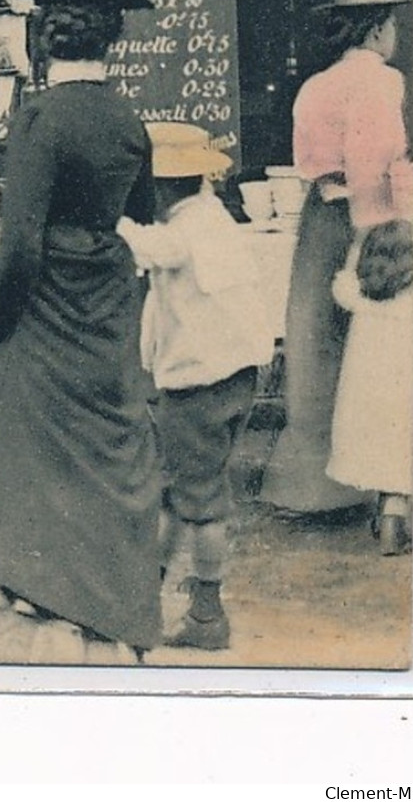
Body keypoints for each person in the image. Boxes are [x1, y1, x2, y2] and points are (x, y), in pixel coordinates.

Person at [0, 0, 158, 663]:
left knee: (36, 472)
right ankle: (100, 620)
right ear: (111, 39)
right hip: (104, 306)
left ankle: (36, 624)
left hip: (42, 316)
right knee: (99, 467)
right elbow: (138, 216)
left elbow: (19, 252)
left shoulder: (37, 119)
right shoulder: (129, 122)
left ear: (45, 39)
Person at [260, 0, 413, 516]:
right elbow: (370, 162)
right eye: (391, 24)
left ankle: (308, 484)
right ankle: (356, 483)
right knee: (366, 347)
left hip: (318, 217)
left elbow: (314, 163)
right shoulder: (380, 82)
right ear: (376, 29)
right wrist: (377, 238)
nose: (394, 33)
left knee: (313, 339)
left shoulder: (316, 85)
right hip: (360, 217)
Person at [117, 123, 274, 651]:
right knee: (177, 490)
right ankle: (146, 594)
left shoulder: (178, 233)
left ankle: (207, 614)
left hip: (199, 385)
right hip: (235, 376)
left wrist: (110, 220)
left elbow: (145, 246)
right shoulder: (214, 217)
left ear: (162, 187)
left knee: (201, 502)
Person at [327, 219, 413, 555]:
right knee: (401, 446)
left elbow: (342, 284)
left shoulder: (359, 297)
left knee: (377, 445)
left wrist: (356, 247)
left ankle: (386, 512)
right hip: (403, 388)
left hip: (365, 393)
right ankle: (395, 512)